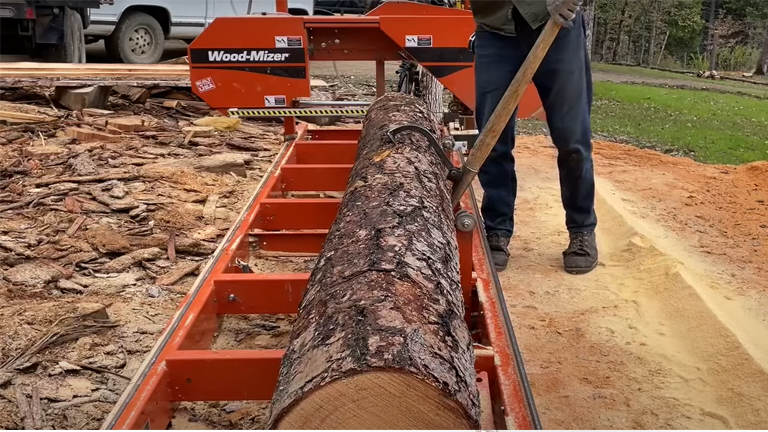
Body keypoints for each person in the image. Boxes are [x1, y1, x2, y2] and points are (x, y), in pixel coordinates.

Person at [469, 0, 598, 274]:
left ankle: (581, 228)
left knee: (572, 138)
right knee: (492, 136)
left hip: (557, 23)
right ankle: (497, 230)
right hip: (495, 28)